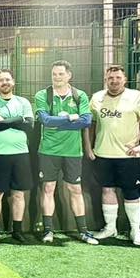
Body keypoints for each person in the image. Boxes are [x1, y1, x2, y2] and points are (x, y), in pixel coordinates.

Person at [86, 65, 140, 246]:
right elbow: (90, 124)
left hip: (128, 156)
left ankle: (135, 231)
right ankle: (110, 228)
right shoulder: (97, 98)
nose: (114, 81)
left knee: (131, 192)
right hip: (103, 154)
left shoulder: (136, 96)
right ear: (106, 80)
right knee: (107, 190)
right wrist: (89, 147)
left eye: (118, 77)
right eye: (111, 78)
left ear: (124, 80)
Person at [33, 60, 96, 245]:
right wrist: (70, 118)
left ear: (69, 75)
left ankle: (83, 231)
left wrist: (59, 123)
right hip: (48, 151)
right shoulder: (42, 95)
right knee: (48, 188)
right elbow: (45, 120)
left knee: (75, 189)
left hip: (73, 152)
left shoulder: (79, 95)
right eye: (54, 74)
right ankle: (48, 230)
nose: (57, 77)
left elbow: (86, 121)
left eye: (61, 74)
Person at [0, 69, 34, 244]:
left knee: (19, 194)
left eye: (7, 79)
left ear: (13, 81)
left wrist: (6, 120)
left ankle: (17, 231)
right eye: (1, 80)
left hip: (21, 154)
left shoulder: (23, 102)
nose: (4, 82)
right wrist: (19, 119)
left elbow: (29, 125)